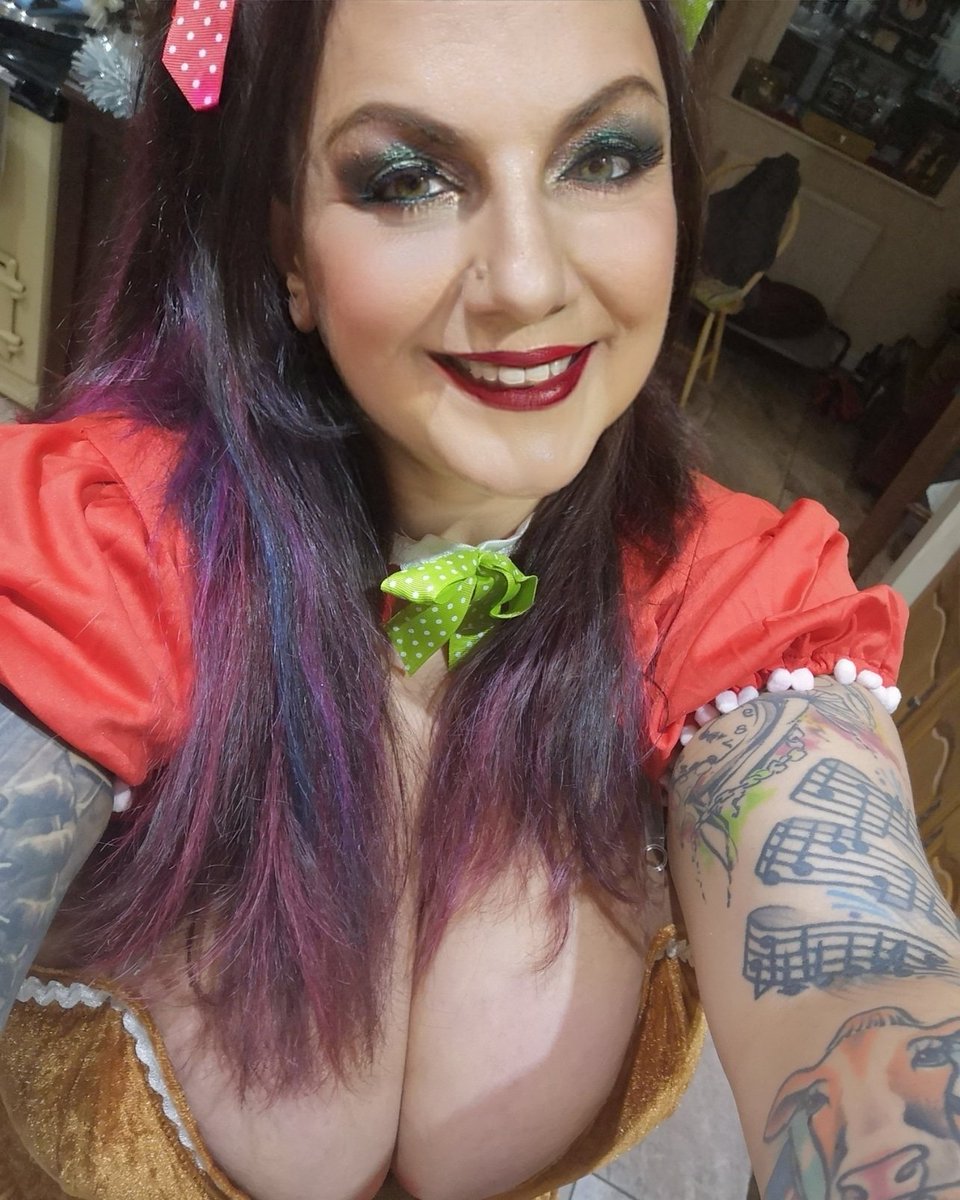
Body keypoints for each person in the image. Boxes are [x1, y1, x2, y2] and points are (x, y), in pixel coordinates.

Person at [0, 2, 951, 1199]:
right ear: (286, 246)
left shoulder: (744, 605)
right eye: (409, 179)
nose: (528, 281)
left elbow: (873, 992)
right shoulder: (88, 553)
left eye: (604, 158)